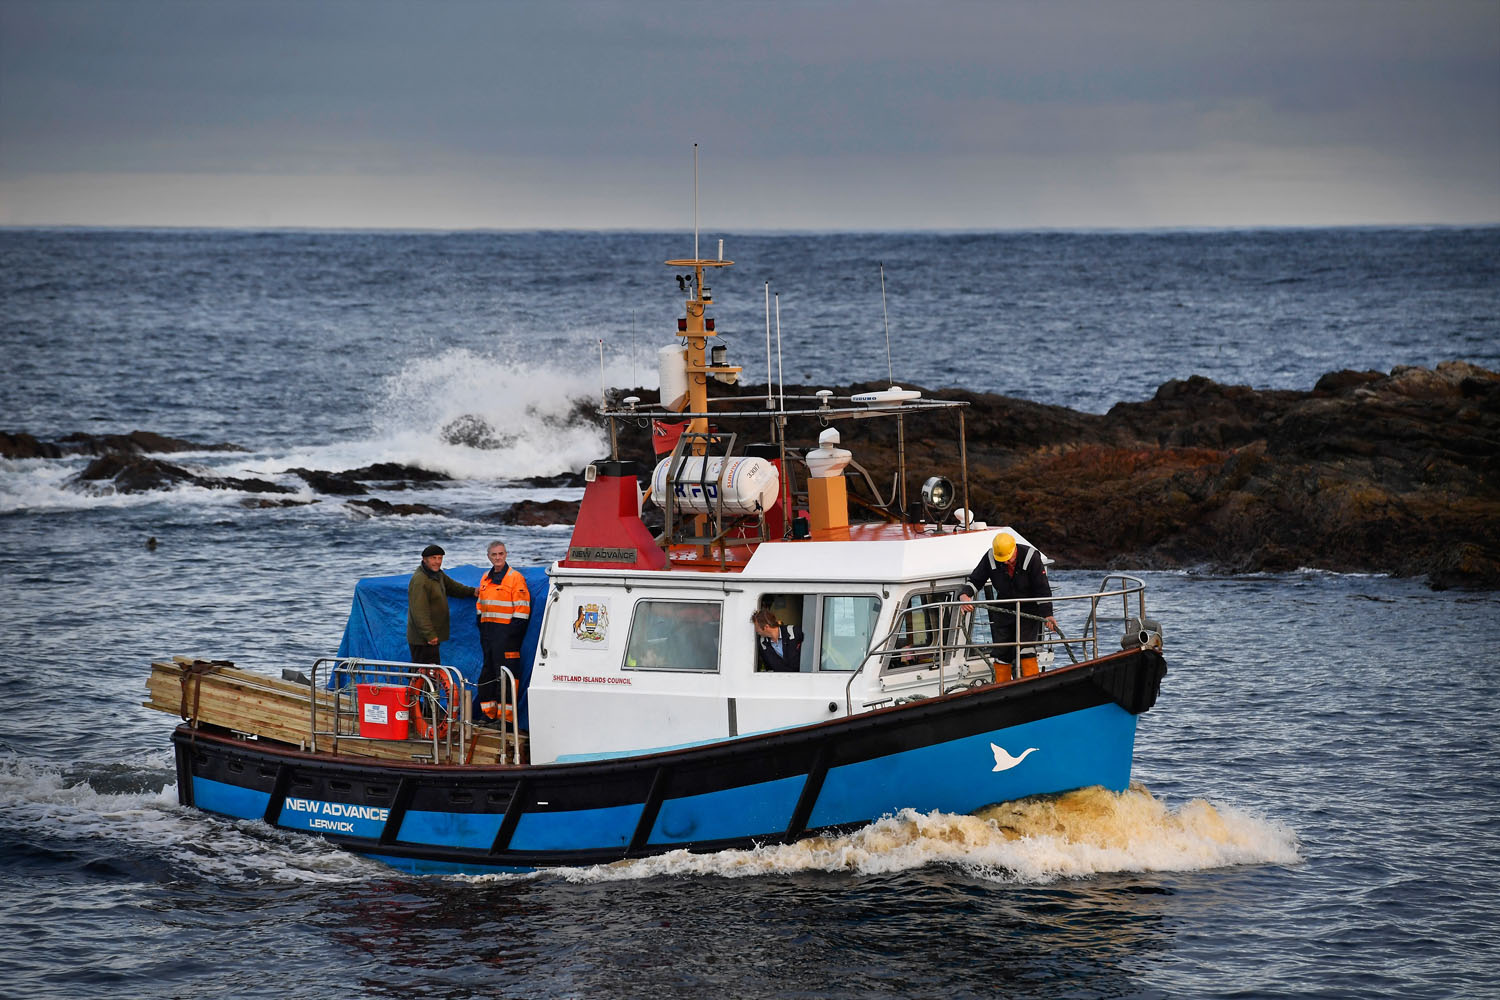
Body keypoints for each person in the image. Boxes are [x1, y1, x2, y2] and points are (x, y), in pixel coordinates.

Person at [959, 531, 1056, 677]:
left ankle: (1032, 682)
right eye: (1001, 559)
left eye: (1008, 559)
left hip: (1028, 610)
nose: (1005, 562)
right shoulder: (990, 557)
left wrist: (1048, 614)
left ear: (1014, 549)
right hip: (1003, 610)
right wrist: (964, 595)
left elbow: (1042, 588)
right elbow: (976, 580)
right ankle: (1002, 684)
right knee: (1002, 651)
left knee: (1026, 649)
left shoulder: (1031, 557)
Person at [475, 540, 530, 722]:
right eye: (494, 554)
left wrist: (509, 636)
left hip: (507, 636)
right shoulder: (485, 577)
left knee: (506, 675)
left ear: (506, 555)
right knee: (488, 673)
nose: (498, 558)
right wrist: (482, 628)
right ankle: (488, 714)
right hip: (488, 634)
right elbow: (480, 606)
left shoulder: (515, 578)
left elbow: (522, 612)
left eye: (501, 554)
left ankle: (505, 719)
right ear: (488, 557)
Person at [406, 544, 476, 665]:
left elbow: (454, 588)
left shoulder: (438, 574)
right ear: (424, 559)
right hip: (422, 639)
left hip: (432, 635)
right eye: (433, 558)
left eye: (440, 558)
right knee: (425, 671)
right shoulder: (420, 580)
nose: (437, 562)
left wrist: (473, 591)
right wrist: (429, 635)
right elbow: (419, 611)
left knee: (429, 670)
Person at [752, 608, 804, 673]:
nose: (756, 630)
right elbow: (769, 668)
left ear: (766, 627)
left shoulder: (794, 632)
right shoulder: (763, 644)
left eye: (757, 627)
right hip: (781, 678)